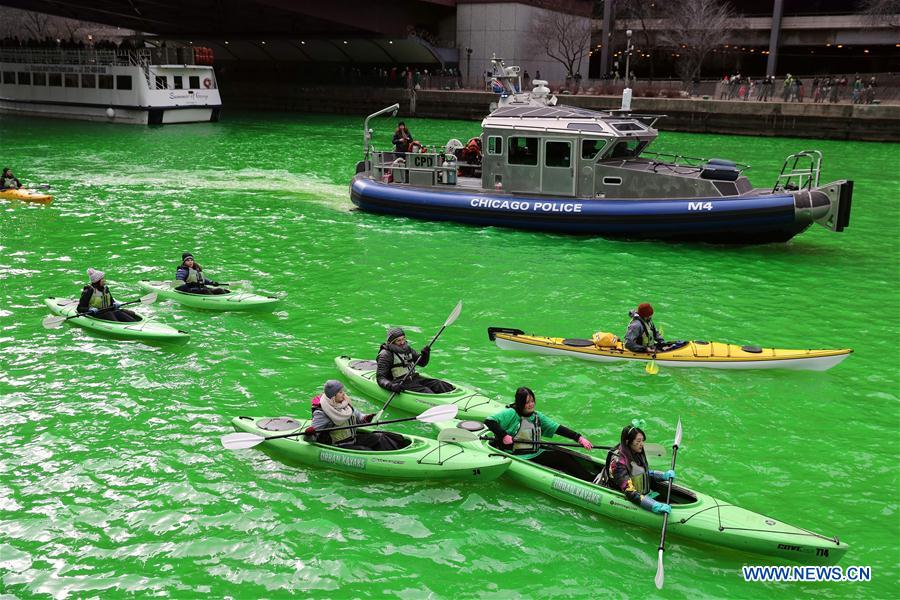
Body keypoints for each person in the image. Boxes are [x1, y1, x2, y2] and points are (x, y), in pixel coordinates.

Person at [484, 387, 595, 481]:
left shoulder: (537, 416)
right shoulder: (511, 413)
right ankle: (590, 480)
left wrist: (579, 438)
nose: (531, 404)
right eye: (527, 402)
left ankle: (590, 477)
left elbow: (556, 428)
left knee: (565, 453)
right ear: (520, 403)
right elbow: (489, 421)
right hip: (519, 456)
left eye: (532, 401)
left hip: (534, 452)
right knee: (563, 458)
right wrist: (504, 435)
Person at [598, 420, 675, 514]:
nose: (642, 444)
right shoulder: (618, 463)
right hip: (619, 492)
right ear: (628, 442)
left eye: (642, 441)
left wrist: (663, 476)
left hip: (640, 490)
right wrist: (654, 506)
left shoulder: (636, 451)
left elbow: (642, 472)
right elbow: (630, 492)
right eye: (638, 441)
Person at [304, 380, 406, 450]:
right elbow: (310, 439)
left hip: (353, 439)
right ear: (333, 396)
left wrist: (367, 418)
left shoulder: (345, 404)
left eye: (342, 391)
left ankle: (398, 453)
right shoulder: (322, 413)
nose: (343, 394)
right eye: (340, 392)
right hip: (338, 447)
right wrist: (309, 434)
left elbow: (359, 418)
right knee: (365, 450)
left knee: (379, 437)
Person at [376, 327, 454, 394]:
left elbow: (422, 363)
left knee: (439, 384)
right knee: (427, 392)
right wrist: (391, 386)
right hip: (400, 383)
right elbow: (380, 378)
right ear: (392, 342)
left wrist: (426, 354)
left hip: (414, 378)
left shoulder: (407, 349)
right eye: (398, 340)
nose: (402, 342)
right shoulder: (385, 355)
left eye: (403, 339)